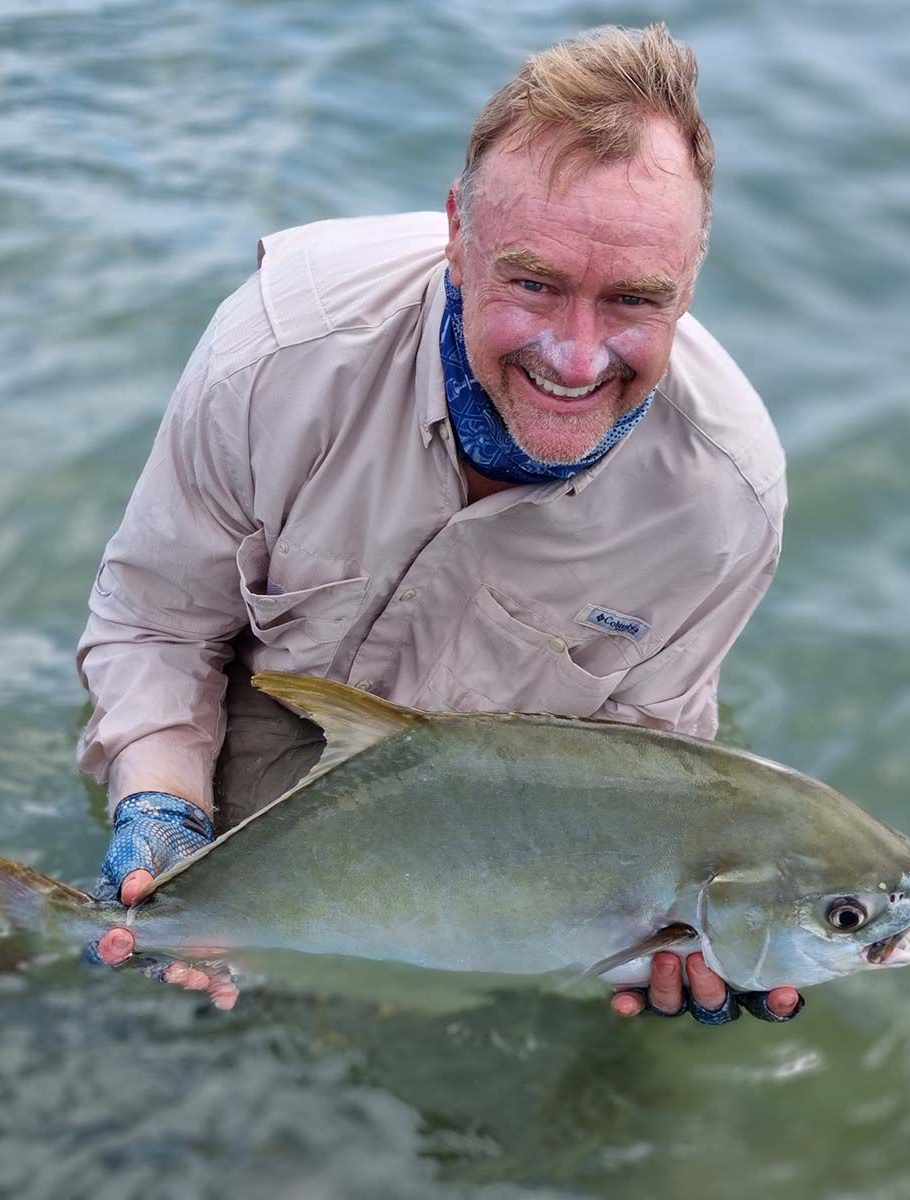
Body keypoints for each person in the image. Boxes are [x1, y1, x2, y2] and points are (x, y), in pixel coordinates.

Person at [80, 23, 802, 1025]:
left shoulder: (727, 503)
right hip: (232, 734)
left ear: (692, 276)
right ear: (456, 234)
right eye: (535, 282)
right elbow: (158, 624)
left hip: (479, 852)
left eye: (636, 299)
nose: (579, 357)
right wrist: (161, 801)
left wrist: (669, 937)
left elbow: (647, 767)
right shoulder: (277, 353)